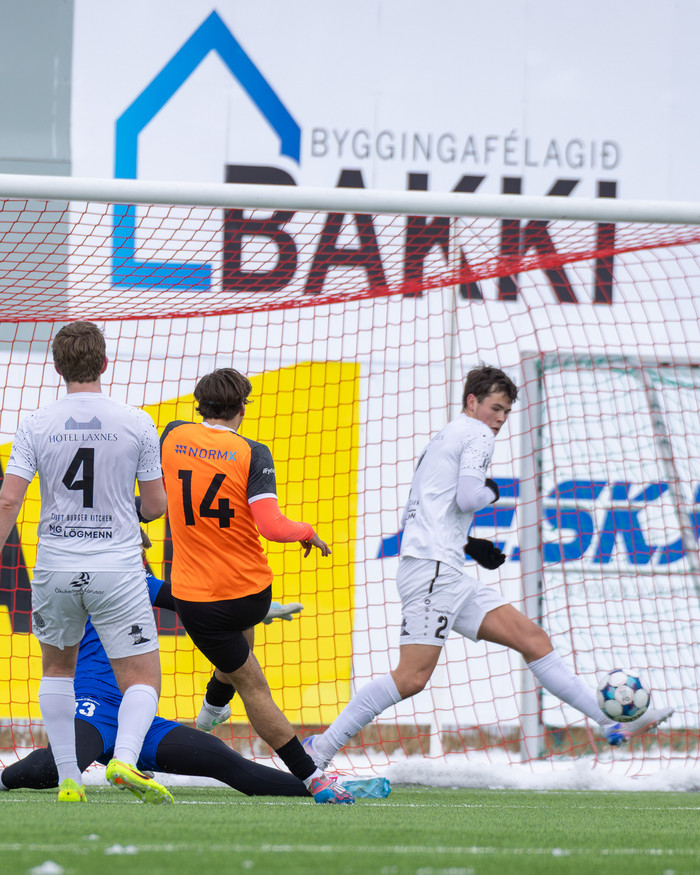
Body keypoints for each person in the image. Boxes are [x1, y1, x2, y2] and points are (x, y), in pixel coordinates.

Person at [303, 365, 674, 769]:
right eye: (495, 408)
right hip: (433, 573)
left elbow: (435, 507)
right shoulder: (477, 434)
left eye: (506, 412)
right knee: (410, 678)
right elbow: (468, 498)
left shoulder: (445, 436)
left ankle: (610, 722)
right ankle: (319, 749)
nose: (499, 419)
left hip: (443, 569)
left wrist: (468, 543)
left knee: (533, 640)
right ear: (472, 401)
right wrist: (492, 494)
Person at [159, 367, 354, 804]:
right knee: (239, 654)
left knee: (252, 685)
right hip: (249, 593)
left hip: (199, 599)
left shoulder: (172, 435)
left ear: (199, 405)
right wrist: (307, 532)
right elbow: (272, 526)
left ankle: (309, 777)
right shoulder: (252, 451)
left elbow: (155, 494)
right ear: (242, 408)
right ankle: (216, 710)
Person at [0, 321, 173, 804]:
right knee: (141, 678)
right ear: (104, 364)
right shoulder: (137, 421)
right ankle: (125, 760)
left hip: (55, 564)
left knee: (57, 670)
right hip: (117, 568)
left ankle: (69, 779)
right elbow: (156, 505)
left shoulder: (36, 423)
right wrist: (126, 513)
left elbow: (9, 501)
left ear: (57, 367)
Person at [0, 539, 310, 798]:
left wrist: (254, 610)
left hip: (137, 719)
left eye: (142, 549)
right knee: (53, 768)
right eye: (136, 545)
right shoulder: (85, 580)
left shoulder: (137, 582)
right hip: (93, 708)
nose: (142, 554)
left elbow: (196, 605)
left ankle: (315, 786)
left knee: (222, 759)